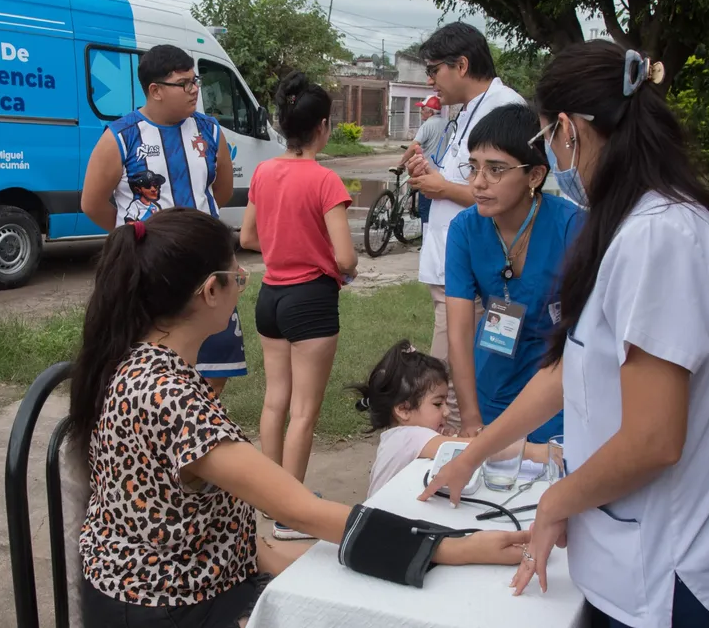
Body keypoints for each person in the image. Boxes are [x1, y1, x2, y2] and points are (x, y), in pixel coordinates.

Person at [422, 42, 709, 628]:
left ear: (568, 130)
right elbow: (570, 369)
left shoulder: (661, 237)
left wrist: (557, 501)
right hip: (634, 561)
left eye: (544, 139)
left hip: (683, 572)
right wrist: (475, 452)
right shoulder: (627, 226)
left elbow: (653, 440)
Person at [70, 207, 533, 628]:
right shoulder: (169, 397)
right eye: (237, 278)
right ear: (211, 291)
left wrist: (311, 570)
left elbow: (201, 522)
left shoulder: (137, 362)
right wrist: (452, 547)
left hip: (170, 583)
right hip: (166, 604)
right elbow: (299, 509)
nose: (242, 286)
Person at [80, 44, 245, 396]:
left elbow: (222, 192)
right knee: (149, 372)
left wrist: (194, 233)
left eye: (195, 81)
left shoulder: (210, 132)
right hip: (151, 273)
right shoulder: (121, 137)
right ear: (155, 90)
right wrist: (141, 236)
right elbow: (92, 203)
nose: (194, 90)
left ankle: (201, 422)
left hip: (206, 270)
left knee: (213, 370)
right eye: (184, 83)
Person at [239, 72, 358, 540]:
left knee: (275, 401)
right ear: (323, 126)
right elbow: (345, 258)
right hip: (311, 301)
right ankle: (292, 515)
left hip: (270, 297)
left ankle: (273, 500)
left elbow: (248, 237)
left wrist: (283, 246)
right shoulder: (326, 180)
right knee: (304, 411)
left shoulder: (264, 172)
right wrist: (334, 262)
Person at [405, 22, 526, 435]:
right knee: (454, 377)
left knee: (449, 383)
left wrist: (442, 187)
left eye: (433, 70)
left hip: (476, 271)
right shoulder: (467, 111)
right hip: (452, 266)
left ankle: (455, 453)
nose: (430, 80)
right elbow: (465, 181)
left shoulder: (503, 109)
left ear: (461, 65)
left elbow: (505, 197)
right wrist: (431, 174)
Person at [445, 104, 580, 444]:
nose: (478, 183)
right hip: (493, 386)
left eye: (495, 170)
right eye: (473, 167)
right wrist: (471, 419)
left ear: (534, 176)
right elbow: (459, 332)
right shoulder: (465, 229)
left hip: (559, 390)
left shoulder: (571, 227)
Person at [354, 340, 545, 498]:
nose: (447, 412)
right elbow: (477, 448)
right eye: (438, 404)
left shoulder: (400, 436)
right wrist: (533, 451)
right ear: (403, 410)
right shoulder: (410, 436)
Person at [395, 94, 448, 226]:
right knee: (439, 210)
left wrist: (401, 163)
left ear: (430, 112)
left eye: (423, 109)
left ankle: (426, 238)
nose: (421, 112)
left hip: (428, 174)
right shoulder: (448, 124)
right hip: (445, 176)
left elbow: (414, 146)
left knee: (425, 210)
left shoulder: (427, 125)